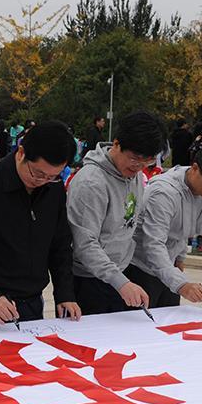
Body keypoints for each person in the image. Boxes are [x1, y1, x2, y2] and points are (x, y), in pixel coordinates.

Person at [0, 121, 82, 327]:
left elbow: (60, 246)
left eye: (52, 176)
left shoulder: (53, 189)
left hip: (31, 301)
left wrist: (65, 293)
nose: (42, 181)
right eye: (37, 173)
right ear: (21, 152)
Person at [67, 111, 165, 315]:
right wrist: (120, 282)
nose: (138, 167)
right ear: (117, 144)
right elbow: (84, 244)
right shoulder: (91, 182)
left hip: (119, 273)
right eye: (134, 159)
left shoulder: (133, 174)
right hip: (89, 279)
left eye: (145, 162)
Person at [129, 141, 202, 307]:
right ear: (195, 168)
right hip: (140, 269)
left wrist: (180, 258)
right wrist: (181, 284)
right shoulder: (164, 193)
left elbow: (183, 230)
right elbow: (153, 244)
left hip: (169, 267)